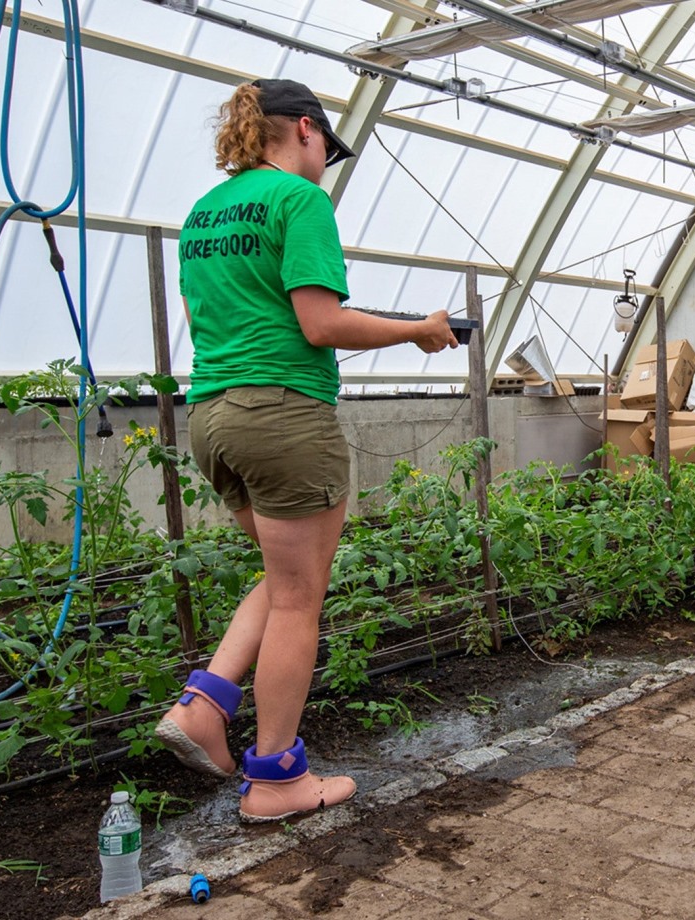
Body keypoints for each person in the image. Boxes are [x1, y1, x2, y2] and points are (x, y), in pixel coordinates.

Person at [155, 78, 458, 823]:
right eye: (327, 147)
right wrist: (418, 329)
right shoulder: (301, 201)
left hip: (213, 417)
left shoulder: (203, 214)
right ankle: (276, 779)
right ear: (304, 130)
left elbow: (206, 317)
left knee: (286, 573)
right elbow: (320, 324)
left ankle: (204, 705)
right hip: (282, 414)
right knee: (299, 598)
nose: (326, 164)